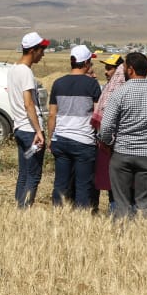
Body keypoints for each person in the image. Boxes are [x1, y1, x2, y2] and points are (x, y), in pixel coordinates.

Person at [97, 52, 147, 218]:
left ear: (130, 70)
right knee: (145, 204)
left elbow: (106, 126)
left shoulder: (119, 93)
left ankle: (123, 239)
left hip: (122, 153)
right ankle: (144, 236)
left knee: (122, 203)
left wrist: (109, 143)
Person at [48, 44, 101, 208]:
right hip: (84, 141)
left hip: (61, 139)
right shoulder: (92, 85)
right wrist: (98, 137)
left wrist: (51, 138)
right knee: (83, 187)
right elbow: (97, 114)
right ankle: (81, 223)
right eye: (90, 63)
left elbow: (52, 115)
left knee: (61, 184)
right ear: (85, 63)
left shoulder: (58, 83)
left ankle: (58, 217)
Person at [8, 31, 50, 207]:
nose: (43, 54)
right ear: (33, 50)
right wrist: (39, 132)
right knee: (34, 174)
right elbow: (28, 104)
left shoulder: (12, 70)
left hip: (19, 130)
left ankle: (19, 209)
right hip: (30, 133)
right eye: (41, 49)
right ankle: (24, 210)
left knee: (24, 172)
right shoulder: (25, 72)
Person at [92, 53, 125, 212]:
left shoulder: (118, 89)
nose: (106, 71)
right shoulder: (108, 87)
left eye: (109, 68)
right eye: (106, 68)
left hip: (114, 144)